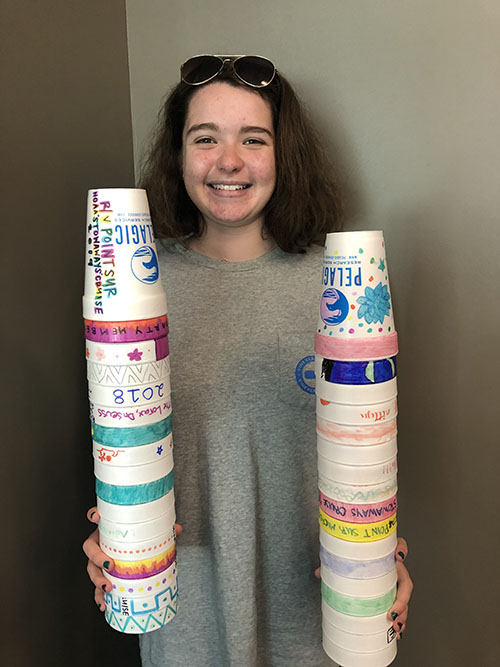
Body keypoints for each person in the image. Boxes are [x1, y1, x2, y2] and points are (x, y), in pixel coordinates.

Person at [83, 54, 413, 666]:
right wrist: (111, 533)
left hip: (320, 622)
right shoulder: (129, 283)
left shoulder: (341, 286)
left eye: (252, 139)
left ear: (282, 155)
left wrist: (385, 559)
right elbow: (122, 442)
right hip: (185, 621)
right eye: (204, 138)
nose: (228, 161)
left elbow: (369, 451)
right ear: (179, 156)